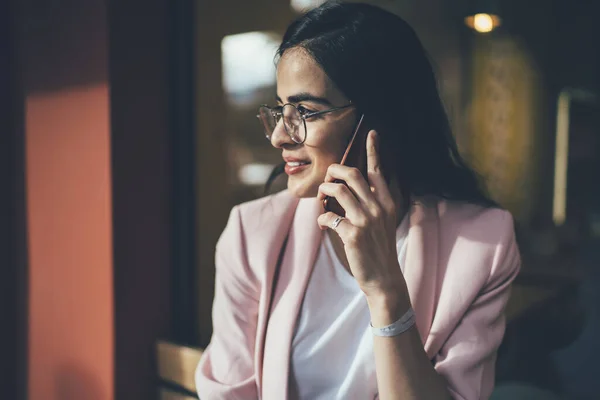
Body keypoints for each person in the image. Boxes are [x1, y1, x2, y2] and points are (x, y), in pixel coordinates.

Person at [196, 2, 520, 399]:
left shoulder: (483, 247)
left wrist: (386, 292)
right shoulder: (252, 234)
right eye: (280, 110)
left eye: (305, 111)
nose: (280, 135)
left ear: (380, 119)